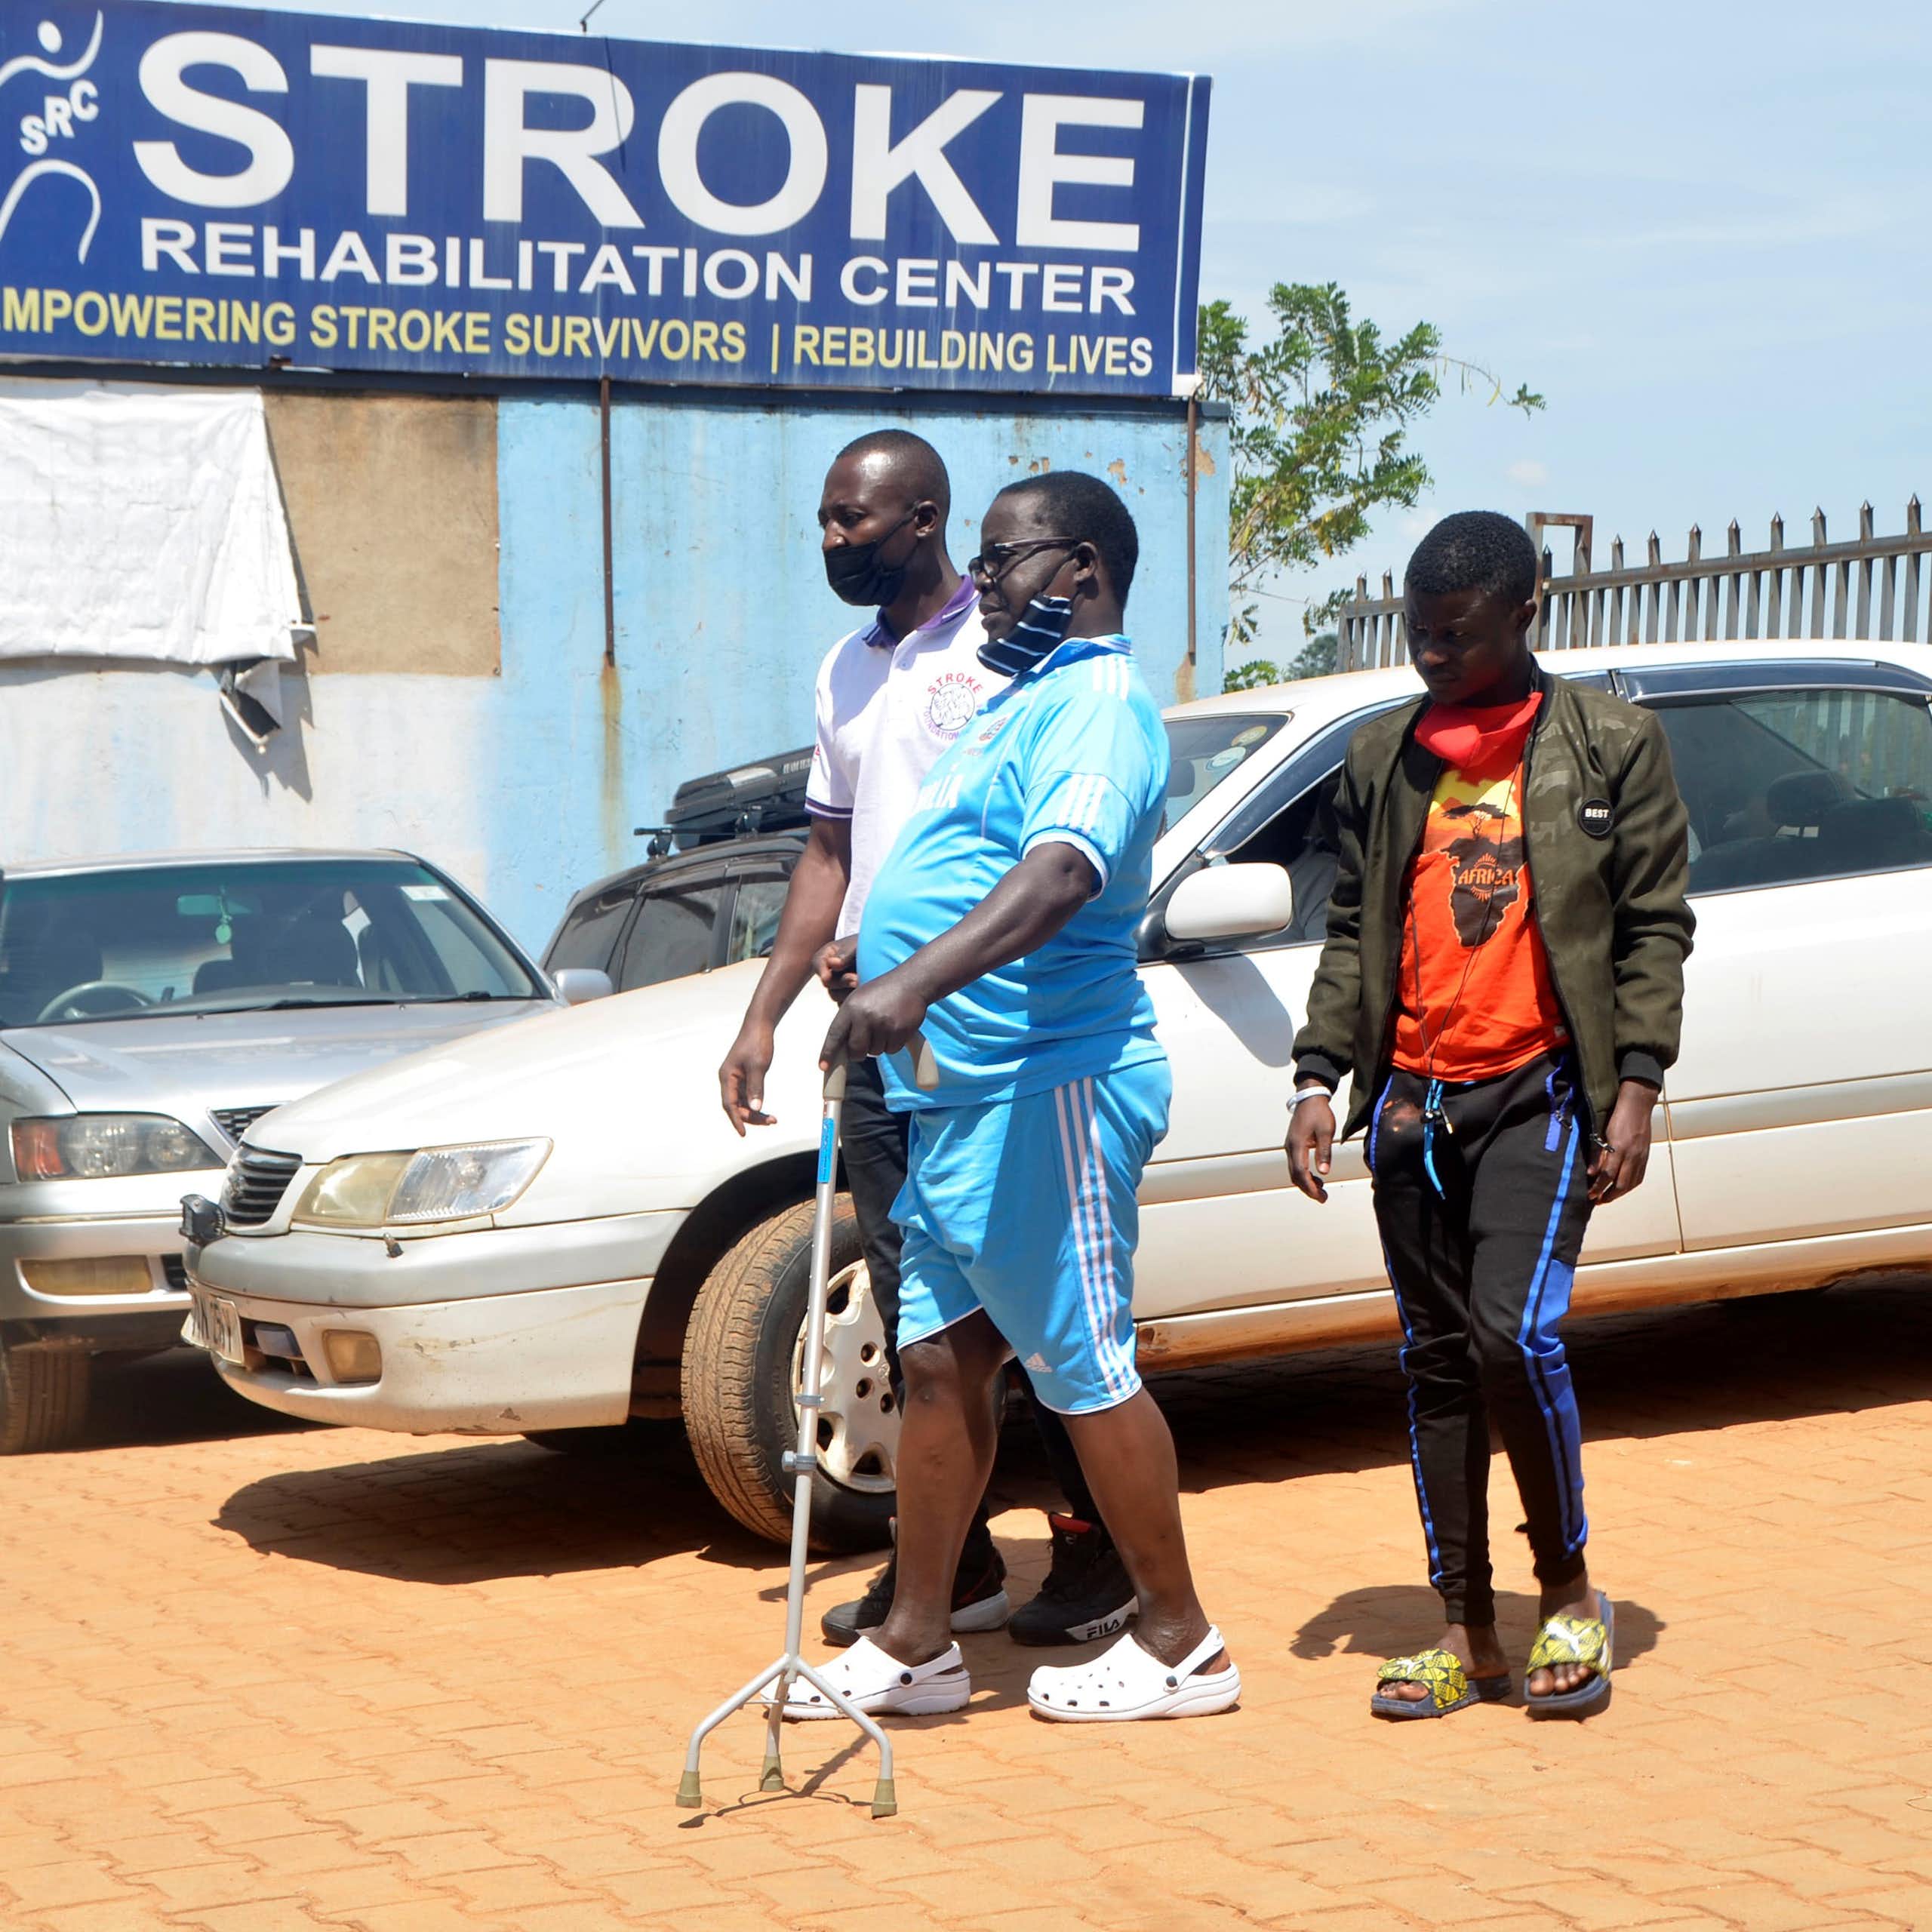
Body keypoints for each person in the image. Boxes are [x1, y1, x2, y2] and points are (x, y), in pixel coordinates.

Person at [773, 469, 1238, 1725]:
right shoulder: (1018, 699)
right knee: (937, 1361)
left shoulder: (1097, 703)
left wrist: (911, 980)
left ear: (1080, 570)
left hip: (1052, 1088)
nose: (985, 585)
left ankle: (1183, 1644)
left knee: (1083, 1363)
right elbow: (961, 859)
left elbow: (1061, 872)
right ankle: (920, 1639)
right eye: (980, 563)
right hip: (961, 1096)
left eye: (1006, 559)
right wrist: (872, 962)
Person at [718, 429, 1137, 1652]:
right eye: (827, 519)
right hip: (879, 1036)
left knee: (1030, 1308)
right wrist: (766, 1012)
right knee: (920, 1316)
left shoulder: (1018, 650)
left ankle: (1098, 1557)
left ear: (928, 519)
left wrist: (919, 962)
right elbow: (831, 854)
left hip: (994, 1031)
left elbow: (1040, 843)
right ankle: (941, 1571)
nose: (835, 540)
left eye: (855, 519)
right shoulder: (846, 668)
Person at [1286, 510, 1694, 1721]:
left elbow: (1653, 927)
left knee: (1515, 1337)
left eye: (1454, 636)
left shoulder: (1610, 745)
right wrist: (1318, 1075)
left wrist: (1634, 1086)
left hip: (1542, 1090)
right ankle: (1465, 1630)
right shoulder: (1383, 758)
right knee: (1438, 1362)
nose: (1431, 655)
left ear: (1526, 614)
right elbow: (1354, 930)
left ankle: (1570, 1593)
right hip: (1413, 1100)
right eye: (1419, 634)